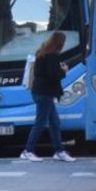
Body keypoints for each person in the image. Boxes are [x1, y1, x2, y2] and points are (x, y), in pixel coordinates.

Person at [20, 31, 76, 162]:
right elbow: (53, 75)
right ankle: (27, 150)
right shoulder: (52, 56)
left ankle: (59, 151)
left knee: (54, 122)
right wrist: (63, 70)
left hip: (39, 92)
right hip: (45, 93)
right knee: (41, 122)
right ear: (59, 44)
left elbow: (45, 72)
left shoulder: (41, 53)